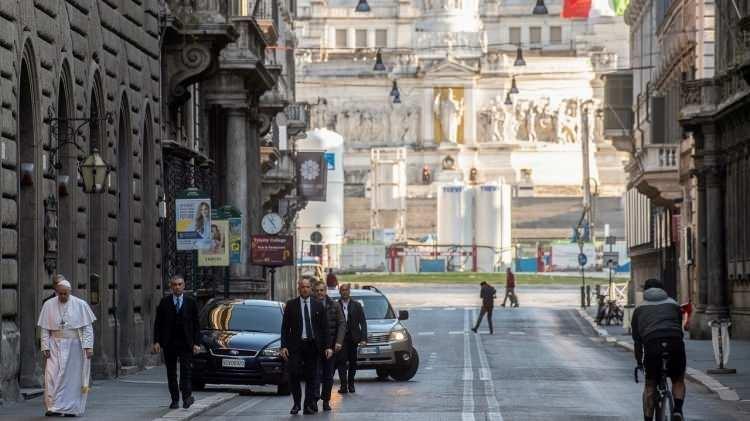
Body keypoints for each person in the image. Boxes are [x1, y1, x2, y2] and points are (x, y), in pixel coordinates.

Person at [37, 277, 96, 417]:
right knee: (51, 375)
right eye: (60, 293)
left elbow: (87, 328)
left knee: (72, 379)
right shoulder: (49, 305)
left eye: (65, 294)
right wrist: (45, 347)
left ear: (70, 292)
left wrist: (88, 347)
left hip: (74, 346)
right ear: (56, 292)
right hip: (54, 344)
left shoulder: (80, 304)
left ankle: (71, 408)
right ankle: (52, 407)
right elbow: (45, 329)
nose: (63, 296)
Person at [631, 278, 686, 421]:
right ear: (663, 290)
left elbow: (637, 340)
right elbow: (679, 328)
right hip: (674, 343)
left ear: (645, 291)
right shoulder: (673, 304)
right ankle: (678, 410)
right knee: (678, 380)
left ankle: (648, 419)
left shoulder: (639, 309)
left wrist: (639, 362)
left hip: (653, 344)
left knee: (650, 385)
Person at [280, 278, 333, 415]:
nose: (305, 289)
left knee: (311, 376)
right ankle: (296, 403)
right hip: (296, 346)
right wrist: (283, 346)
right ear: (299, 288)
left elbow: (325, 328)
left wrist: (328, 346)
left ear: (311, 289)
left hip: (312, 346)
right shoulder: (291, 305)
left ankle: (307, 405)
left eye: (307, 287)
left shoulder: (318, 305)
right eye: (302, 287)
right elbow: (285, 328)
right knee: (294, 374)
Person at [152, 275, 201, 410]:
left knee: (186, 372)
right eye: (174, 284)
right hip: (169, 343)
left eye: (180, 284)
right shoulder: (165, 302)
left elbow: (196, 325)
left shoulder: (191, 302)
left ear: (184, 286)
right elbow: (158, 323)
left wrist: (197, 343)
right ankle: (174, 400)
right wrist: (156, 341)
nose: (177, 287)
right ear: (171, 287)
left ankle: (186, 398)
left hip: (186, 343)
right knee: (171, 373)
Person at [312, 280, 345, 411]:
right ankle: (314, 400)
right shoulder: (311, 305)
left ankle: (326, 400)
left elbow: (342, 323)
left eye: (322, 290)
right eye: (317, 291)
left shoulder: (334, 305)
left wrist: (338, 342)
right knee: (315, 375)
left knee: (328, 376)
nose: (320, 293)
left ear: (325, 291)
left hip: (331, 347)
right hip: (315, 347)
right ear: (314, 292)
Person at [336, 283, 367, 394]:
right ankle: (343, 385)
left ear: (349, 292)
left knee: (353, 362)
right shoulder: (336, 305)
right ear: (340, 292)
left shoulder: (357, 305)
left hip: (353, 338)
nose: (344, 292)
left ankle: (351, 384)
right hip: (341, 338)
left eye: (346, 290)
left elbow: (363, 322)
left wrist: (363, 338)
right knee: (341, 362)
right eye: (342, 290)